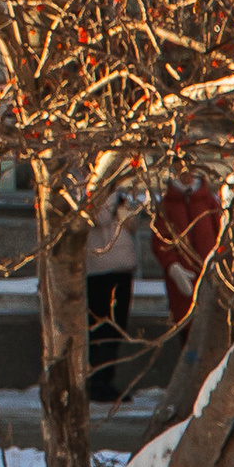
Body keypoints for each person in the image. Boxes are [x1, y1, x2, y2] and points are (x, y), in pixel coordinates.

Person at [84, 154, 145, 405]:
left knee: (117, 326)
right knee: (100, 326)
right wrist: (114, 203)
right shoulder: (92, 192)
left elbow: (132, 223)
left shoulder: (122, 192)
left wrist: (127, 206)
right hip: (99, 269)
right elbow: (98, 219)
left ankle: (108, 379)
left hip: (123, 266)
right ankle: (95, 380)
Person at [153, 168, 222, 331]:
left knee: (212, 325)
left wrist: (219, 263)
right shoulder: (166, 205)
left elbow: (221, 233)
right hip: (183, 277)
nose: (187, 176)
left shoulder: (208, 202)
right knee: (186, 323)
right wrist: (174, 268)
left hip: (210, 273)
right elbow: (160, 242)